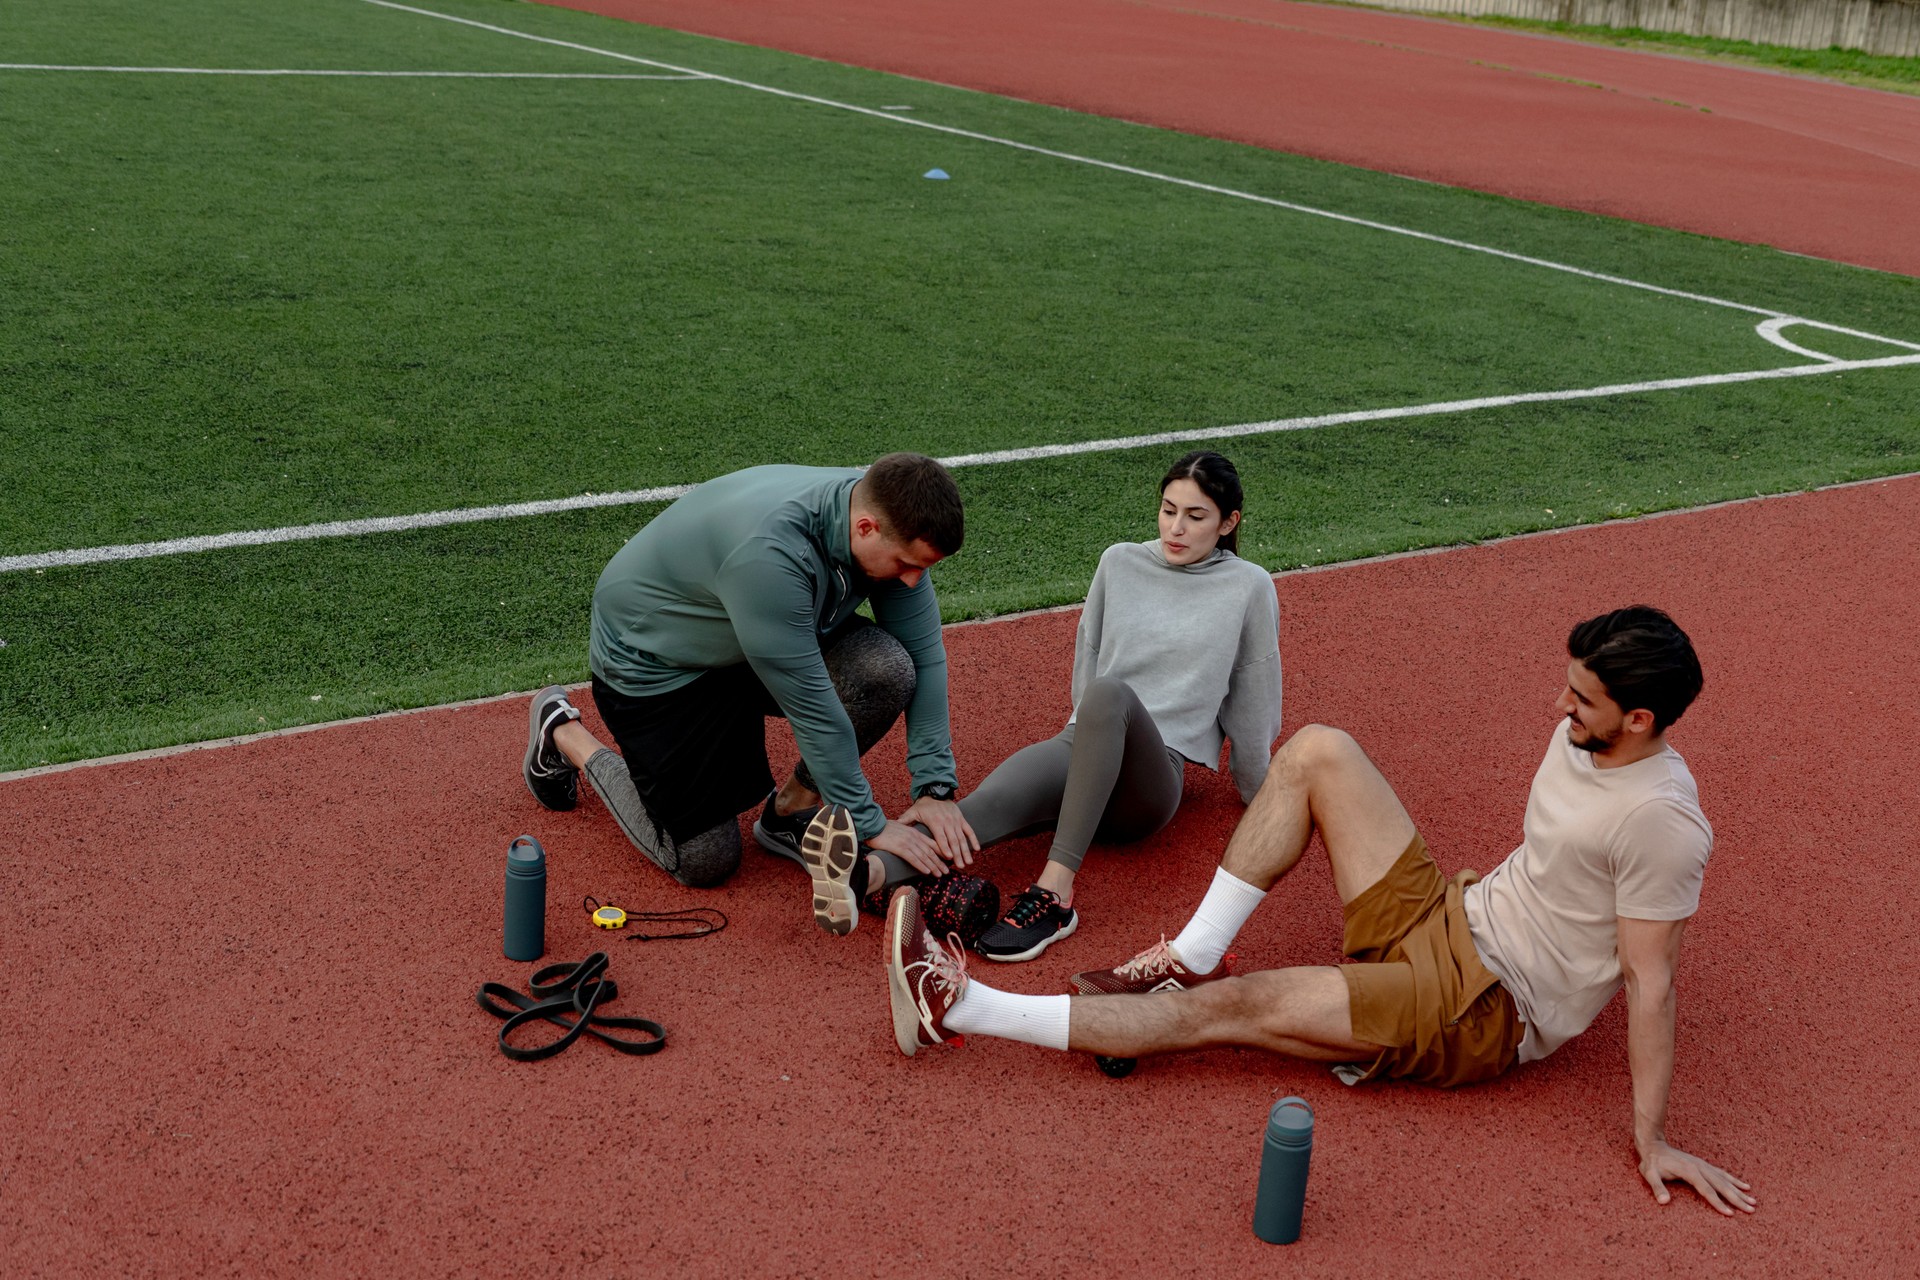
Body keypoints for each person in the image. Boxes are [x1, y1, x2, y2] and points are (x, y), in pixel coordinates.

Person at [885, 606, 1757, 1215]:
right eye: (1568, 687)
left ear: (1638, 719)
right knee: (1318, 751)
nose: (1559, 707)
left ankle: (959, 1005)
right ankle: (1192, 949)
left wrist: (1655, 1140)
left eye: (1582, 701)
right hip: (1451, 915)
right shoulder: (1585, 731)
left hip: (1484, 1006)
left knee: (1243, 1008)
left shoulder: (1661, 824)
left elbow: (1652, 984)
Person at [521, 454, 978, 936]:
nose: (912, 579)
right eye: (907, 564)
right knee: (703, 860)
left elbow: (925, 656)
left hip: (752, 638)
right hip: (657, 666)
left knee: (885, 668)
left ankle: (792, 811)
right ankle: (563, 733)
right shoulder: (771, 555)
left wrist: (935, 789)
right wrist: (868, 823)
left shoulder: (885, 517)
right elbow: (816, 712)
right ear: (865, 527)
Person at [954, 450, 1282, 961]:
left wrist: (1257, 789)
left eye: (1196, 517)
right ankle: (875, 873)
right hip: (1087, 741)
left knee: (1108, 693)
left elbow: (1253, 694)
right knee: (979, 809)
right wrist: (1082, 744)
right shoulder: (1119, 561)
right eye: (1168, 509)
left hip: (1150, 781)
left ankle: (1056, 894)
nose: (1177, 527)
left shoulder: (1248, 586)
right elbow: (1088, 656)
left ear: (1228, 522)